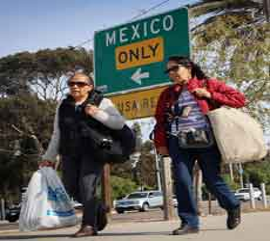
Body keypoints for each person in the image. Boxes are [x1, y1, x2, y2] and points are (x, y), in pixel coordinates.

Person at [154, 56, 246, 235]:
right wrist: (161, 144)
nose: (171, 73)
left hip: (207, 140)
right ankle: (189, 223)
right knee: (182, 180)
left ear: (188, 67)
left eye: (175, 68)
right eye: (169, 71)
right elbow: (159, 120)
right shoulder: (168, 93)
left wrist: (210, 95)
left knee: (212, 181)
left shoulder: (208, 84)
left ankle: (232, 205)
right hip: (178, 141)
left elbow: (240, 99)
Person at [39, 73, 125, 237]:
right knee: (70, 187)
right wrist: (49, 157)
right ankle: (98, 208)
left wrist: (98, 113)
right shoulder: (63, 105)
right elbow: (57, 133)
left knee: (87, 187)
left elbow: (119, 123)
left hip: (93, 152)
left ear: (90, 87)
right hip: (69, 153)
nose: (75, 86)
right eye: (71, 83)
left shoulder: (102, 102)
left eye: (80, 83)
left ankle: (88, 226)